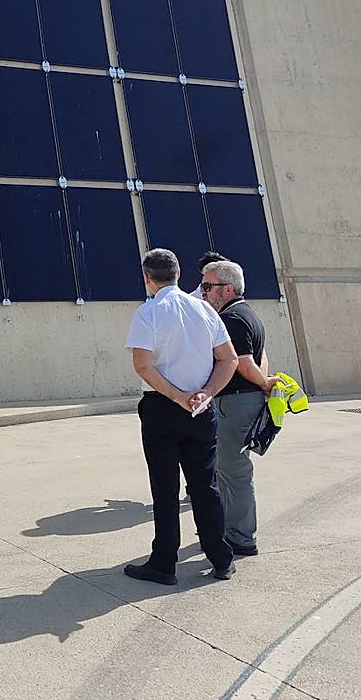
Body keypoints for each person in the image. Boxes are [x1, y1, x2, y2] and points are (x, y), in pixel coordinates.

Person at [124, 248, 239, 585]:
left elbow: (143, 365)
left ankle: (164, 562)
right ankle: (220, 557)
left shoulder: (147, 313)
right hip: (201, 410)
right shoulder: (204, 309)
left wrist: (177, 396)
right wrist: (205, 393)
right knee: (206, 485)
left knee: (165, 487)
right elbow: (229, 359)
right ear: (178, 273)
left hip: (163, 407)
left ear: (147, 278)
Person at [201, 260, 279, 557]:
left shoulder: (232, 318)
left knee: (233, 471)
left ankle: (241, 537)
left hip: (234, 403)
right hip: (242, 400)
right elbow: (262, 357)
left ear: (228, 288)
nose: (204, 291)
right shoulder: (248, 314)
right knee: (226, 469)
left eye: (209, 286)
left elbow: (244, 362)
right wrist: (264, 380)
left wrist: (262, 383)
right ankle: (229, 528)